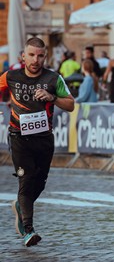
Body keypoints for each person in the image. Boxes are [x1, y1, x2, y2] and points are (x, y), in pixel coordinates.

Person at [1, 37, 75, 246]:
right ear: (23, 56)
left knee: (39, 182)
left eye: (40, 55)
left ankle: (20, 206)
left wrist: (52, 97)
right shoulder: (10, 76)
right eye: (31, 55)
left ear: (45, 56)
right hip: (19, 137)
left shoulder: (53, 78)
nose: (36, 60)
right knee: (26, 179)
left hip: (43, 139)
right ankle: (28, 229)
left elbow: (70, 105)